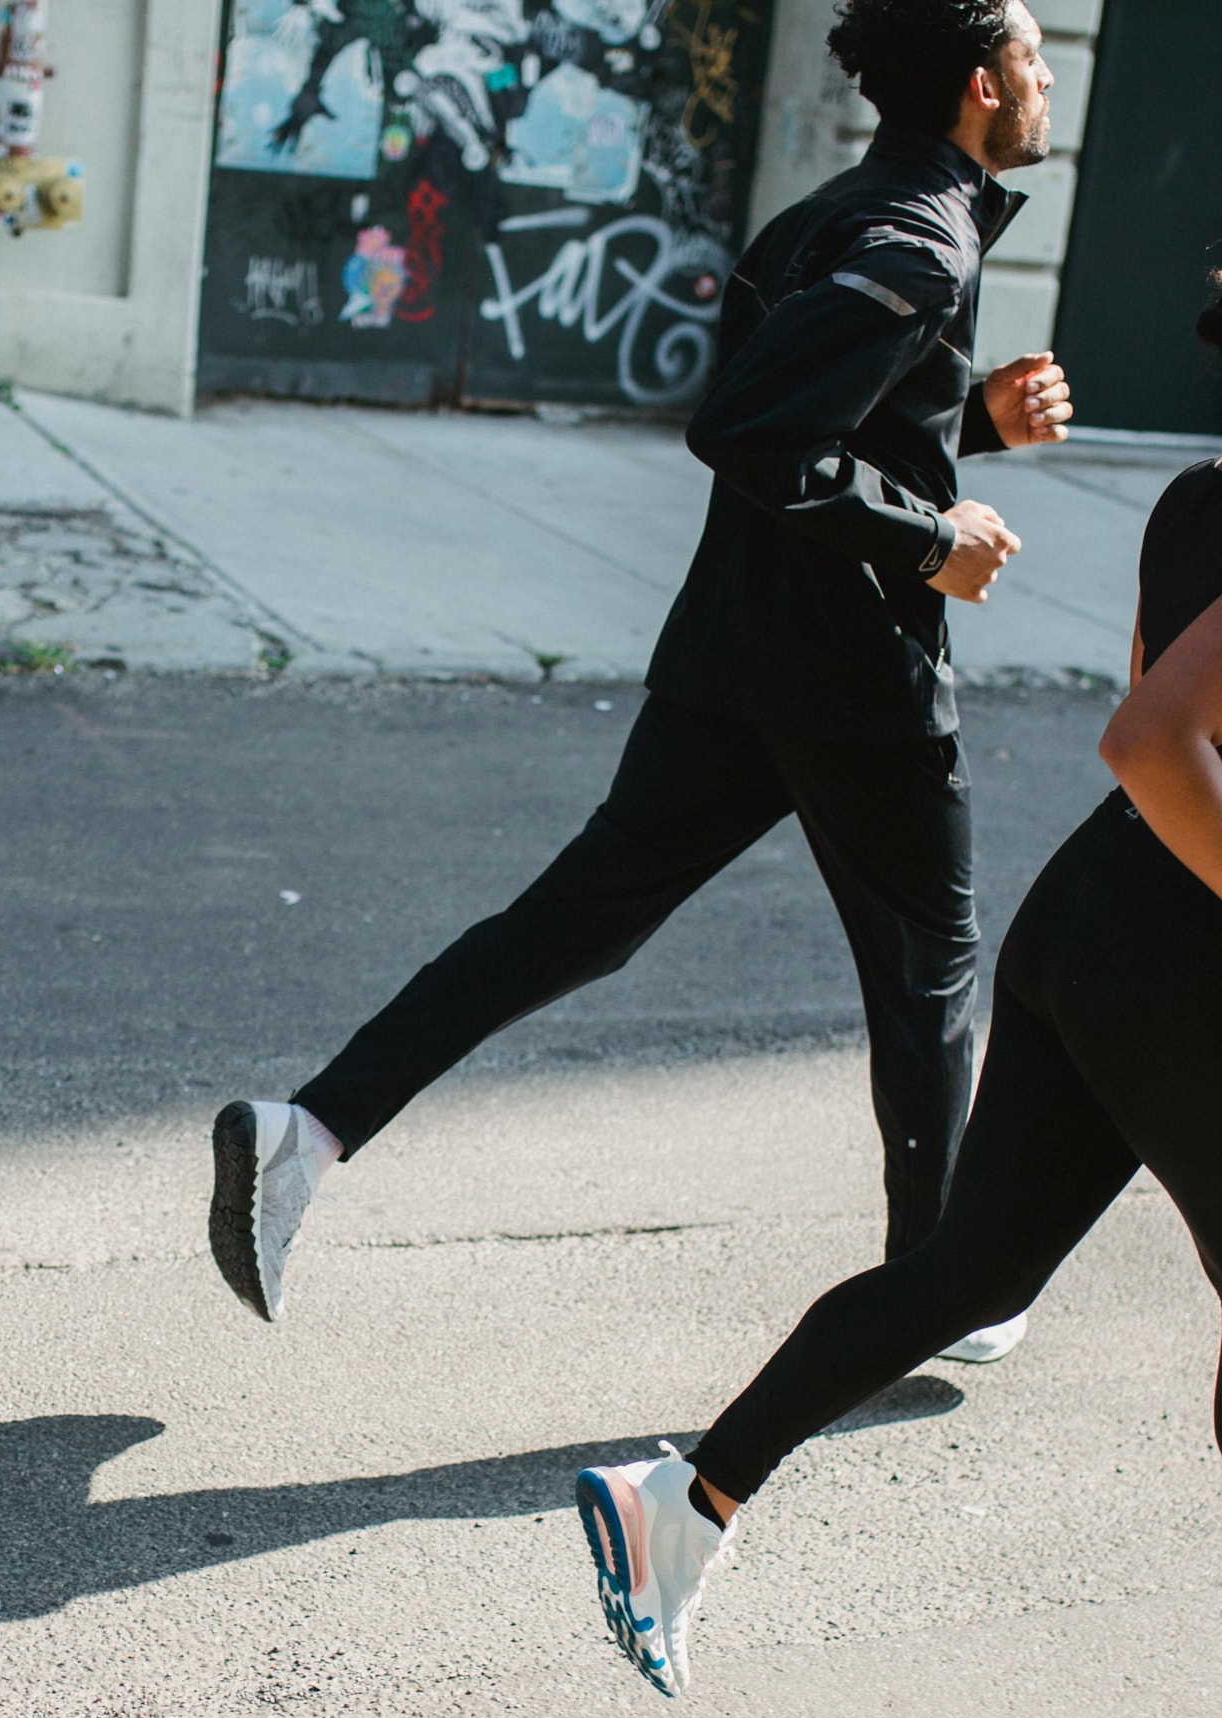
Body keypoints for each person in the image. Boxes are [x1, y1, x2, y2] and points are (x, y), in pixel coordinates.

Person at [576, 198, 1222, 1707]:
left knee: (970, 1267)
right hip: (1213, 953)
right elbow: (1150, 732)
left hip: (1102, 921)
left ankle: (683, 1504)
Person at [211, 0, 1074, 1359]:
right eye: (1032, 57)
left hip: (740, 660)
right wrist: (934, 538)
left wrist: (974, 428)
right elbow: (748, 430)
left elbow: (821, 417)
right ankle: (944, 1286)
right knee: (931, 970)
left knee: (577, 922)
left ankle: (306, 1132)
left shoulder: (827, 217)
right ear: (980, 86)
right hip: (854, 680)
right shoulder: (918, 240)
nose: (1042, 81)